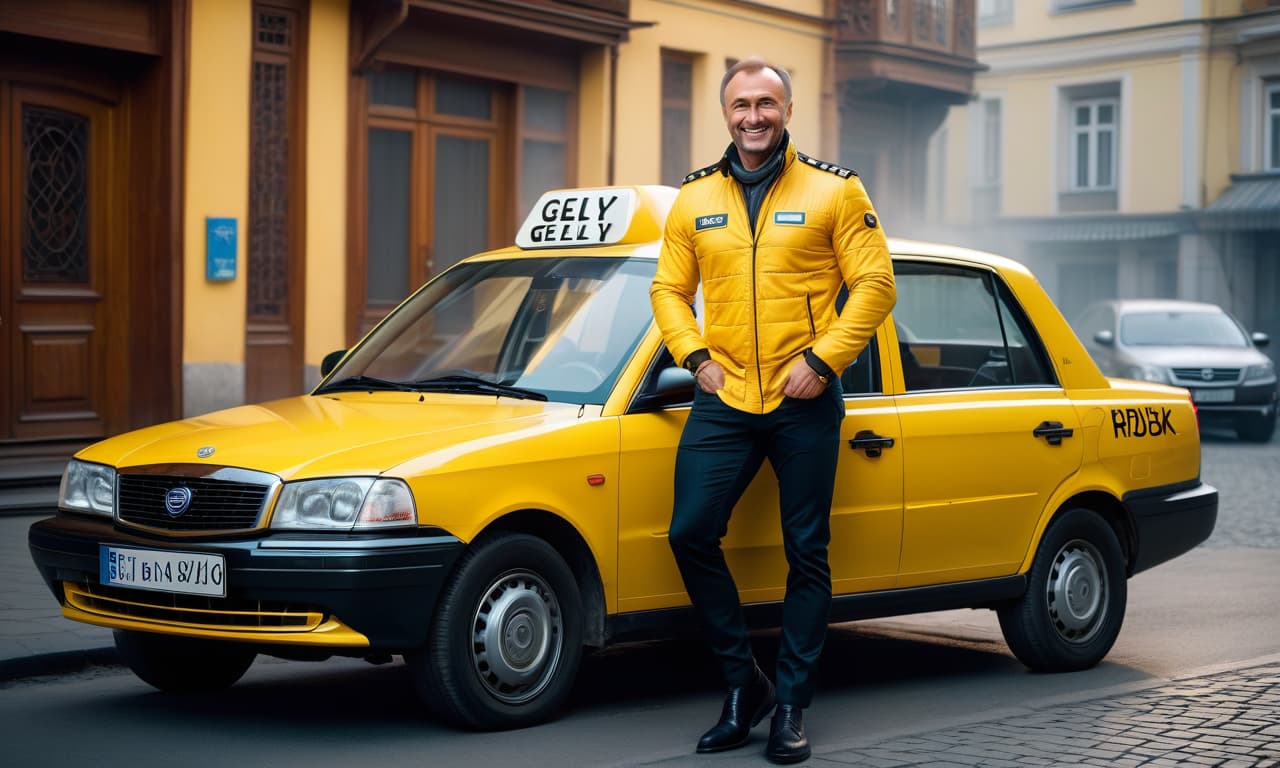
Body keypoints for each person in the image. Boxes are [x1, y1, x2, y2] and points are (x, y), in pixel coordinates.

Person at [649, 57, 896, 764]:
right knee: (690, 533)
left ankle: (791, 704)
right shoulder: (695, 198)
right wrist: (696, 358)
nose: (752, 116)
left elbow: (876, 286)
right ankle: (742, 685)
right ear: (724, 114)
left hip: (804, 401)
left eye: (765, 103)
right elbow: (669, 288)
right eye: (739, 105)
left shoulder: (835, 191)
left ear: (787, 111)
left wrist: (822, 363)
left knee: (805, 553)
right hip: (726, 400)